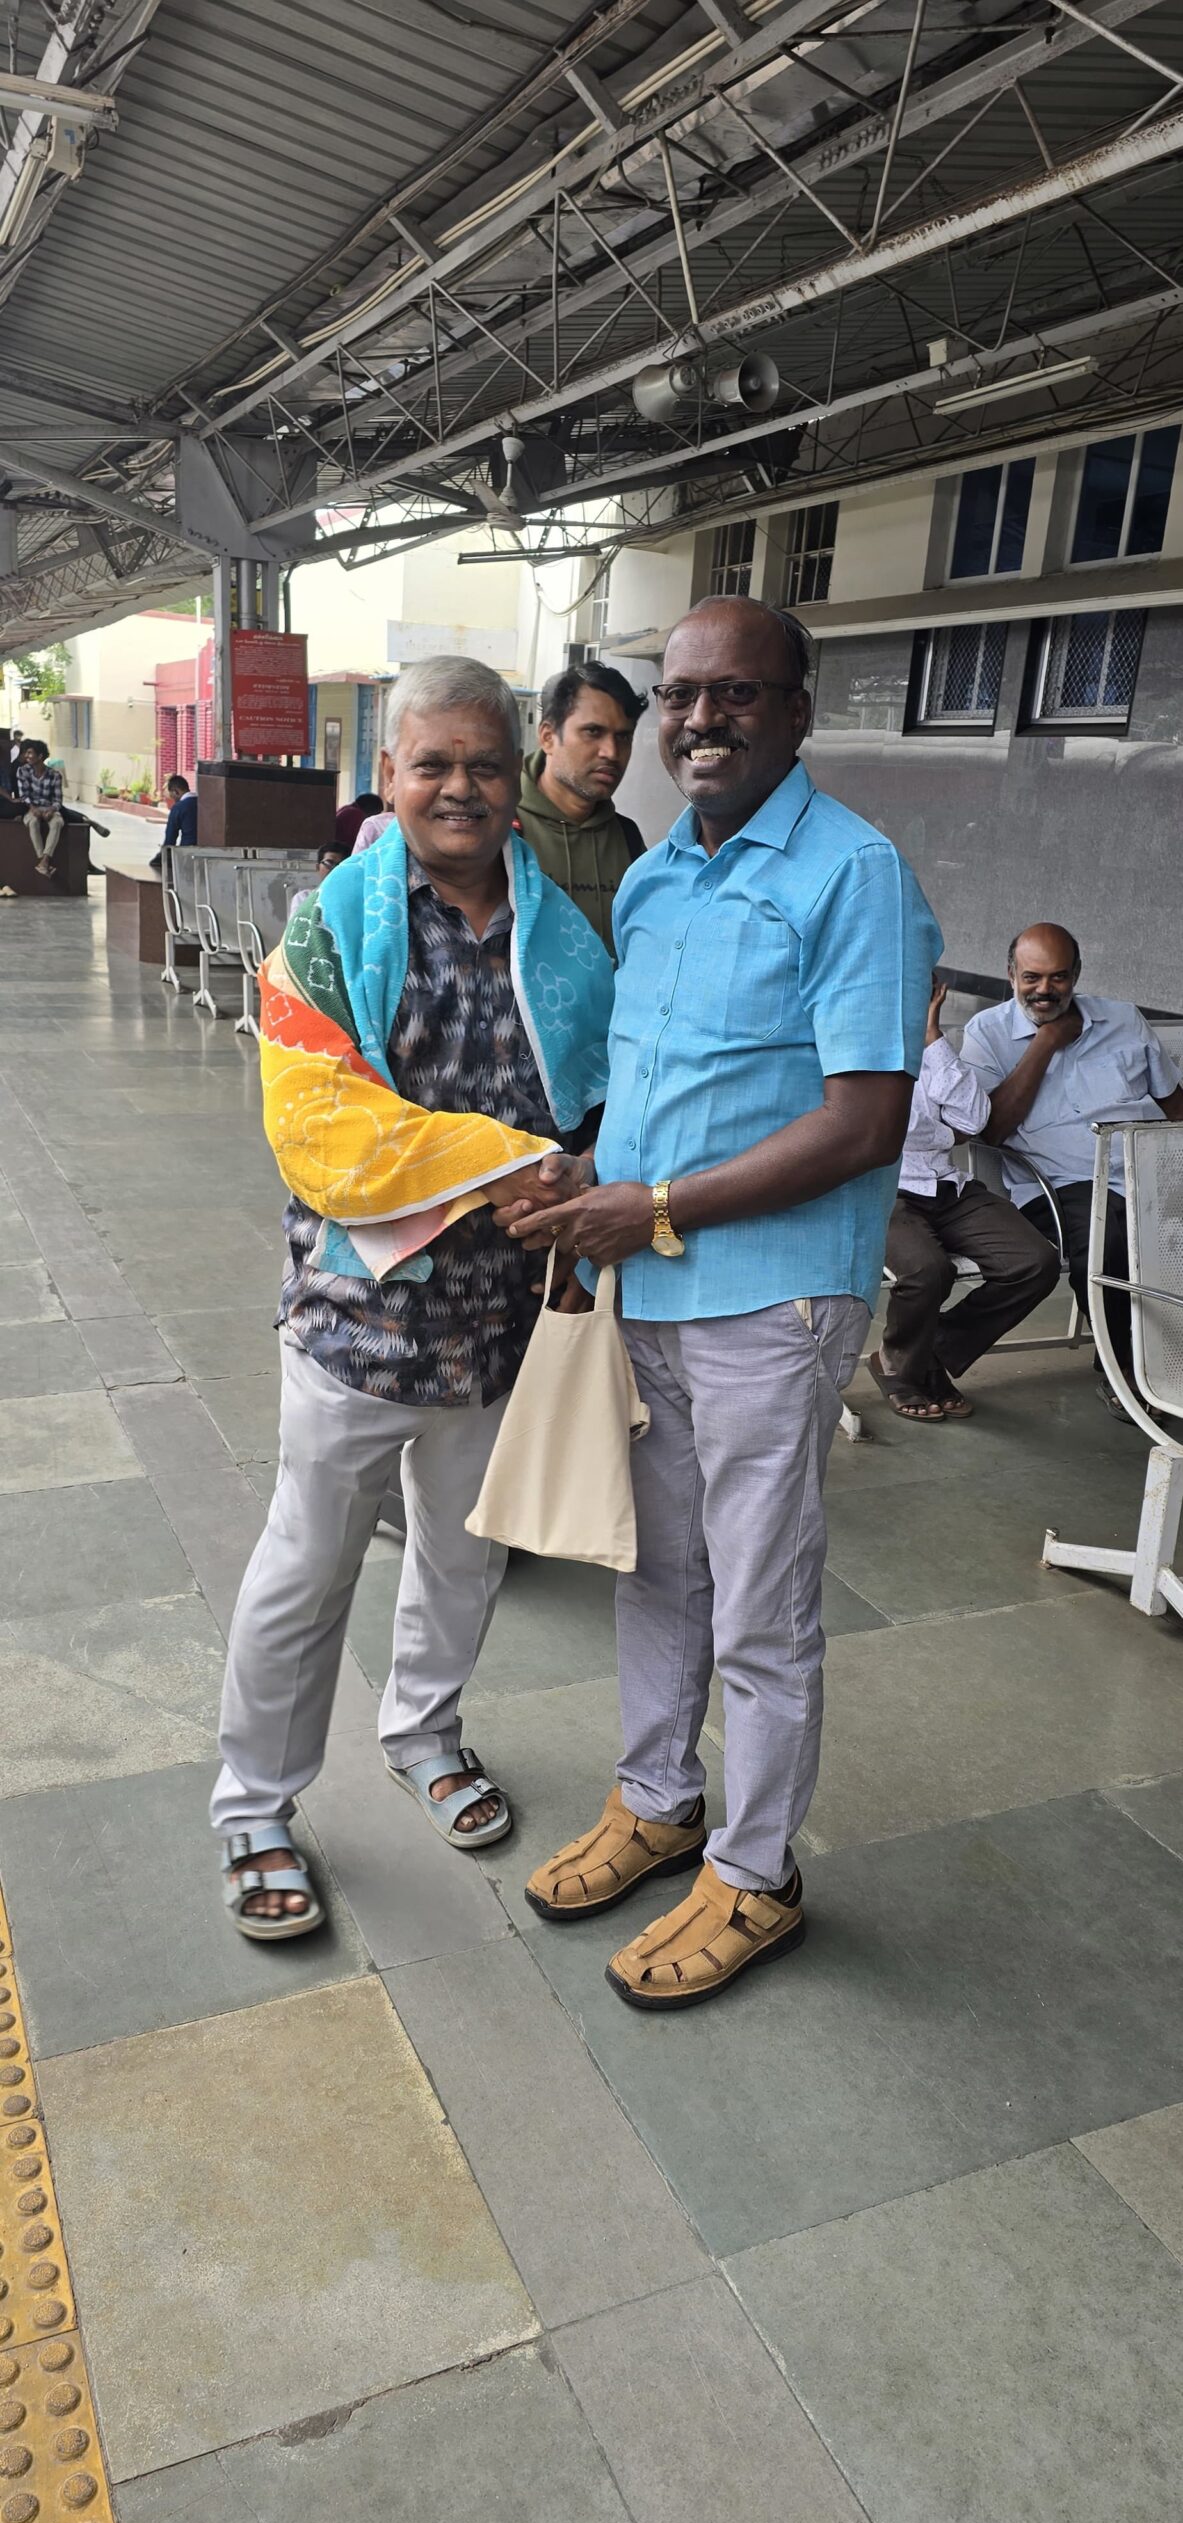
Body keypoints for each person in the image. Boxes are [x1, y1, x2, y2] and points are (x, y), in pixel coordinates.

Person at [509, 596, 940, 2012]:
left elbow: (863, 1121)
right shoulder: (655, 879)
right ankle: (657, 1801)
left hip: (770, 1303)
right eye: (680, 695)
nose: (699, 719)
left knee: (757, 1599)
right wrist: (589, 1179)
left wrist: (654, 1208)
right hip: (645, 1285)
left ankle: (754, 1874)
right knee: (656, 1569)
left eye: (736, 694)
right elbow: (655, 1087)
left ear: (795, 713)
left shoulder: (850, 874)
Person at [211, 655, 614, 1940]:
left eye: (484, 765)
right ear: (386, 774)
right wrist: (512, 1161)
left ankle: (425, 1734)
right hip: (358, 1328)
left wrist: (585, 1170)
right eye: (431, 763)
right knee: (305, 1567)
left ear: (518, 776)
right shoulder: (326, 929)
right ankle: (255, 1806)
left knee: (464, 1554)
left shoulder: (564, 936)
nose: (459, 788)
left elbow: (603, 1101)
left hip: (501, 1328)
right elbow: (320, 1132)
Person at [961, 923, 1183, 1415]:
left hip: (1149, 1171)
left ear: (1076, 975)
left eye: (1058, 977)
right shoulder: (988, 1033)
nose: (1044, 989)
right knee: (1110, 1240)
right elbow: (990, 1130)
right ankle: (1128, 1373)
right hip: (1061, 1184)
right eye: (1032, 977)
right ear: (1011, 975)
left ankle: (1167, 1359)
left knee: (1153, 1230)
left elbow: (1175, 1106)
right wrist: (1045, 1043)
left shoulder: (1122, 1019)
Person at [869, 975, 1060, 1421]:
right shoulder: (855, 1049)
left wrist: (932, 1038)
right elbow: (884, 1131)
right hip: (882, 1188)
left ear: (935, 996)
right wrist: (942, 1132)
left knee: (1035, 1263)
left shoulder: (933, 1049)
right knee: (928, 1270)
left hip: (947, 1185)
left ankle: (929, 1353)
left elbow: (973, 1120)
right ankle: (899, 1365)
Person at [516, 661, 647, 948]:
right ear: (548, 738)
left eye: (623, 737)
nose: (611, 752)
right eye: (593, 732)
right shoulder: (503, 830)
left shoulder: (628, 839)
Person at [15, 737, 64, 875]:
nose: (27, 756)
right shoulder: (22, 771)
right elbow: (24, 795)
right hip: (31, 808)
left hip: (49, 808)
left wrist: (52, 810)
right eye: (26, 753)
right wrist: (32, 808)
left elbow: (58, 800)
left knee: (57, 822)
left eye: (30, 753)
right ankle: (43, 860)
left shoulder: (55, 775)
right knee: (33, 822)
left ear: (40, 756)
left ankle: (45, 860)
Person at [150, 773, 198, 870]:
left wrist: (163, 855)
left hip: (187, 852)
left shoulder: (179, 807)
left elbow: (171, 836)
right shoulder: (204, 803)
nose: (174, 800)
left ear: (176, 792)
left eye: (173, 796)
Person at [332, 789, 383, 854]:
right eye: (377, 812)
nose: (376, 816)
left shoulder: (347, 809)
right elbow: (359, 840)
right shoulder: (355, 813)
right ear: (372, 808)